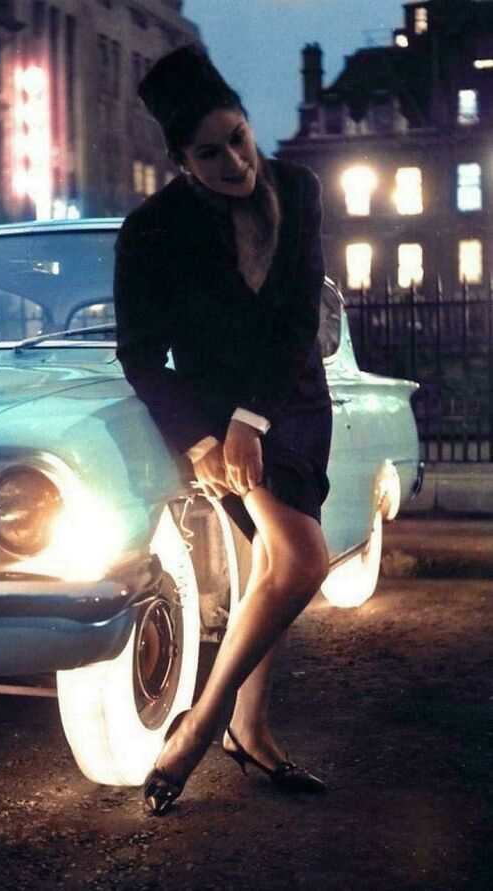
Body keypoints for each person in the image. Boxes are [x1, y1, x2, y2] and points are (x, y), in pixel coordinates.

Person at [114, 45, 333, 816]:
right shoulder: (150, 232)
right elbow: (139, 354)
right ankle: (205, 729)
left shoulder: (298, 189)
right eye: (212, 152)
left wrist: (253, 419)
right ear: (181, 159)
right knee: (301, 560)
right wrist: (204, 438)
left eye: (239, 136)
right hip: (215, 418)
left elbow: (299, 318)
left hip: (291, 400)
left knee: (272, 570)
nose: (237, 160)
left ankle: (248, 727)